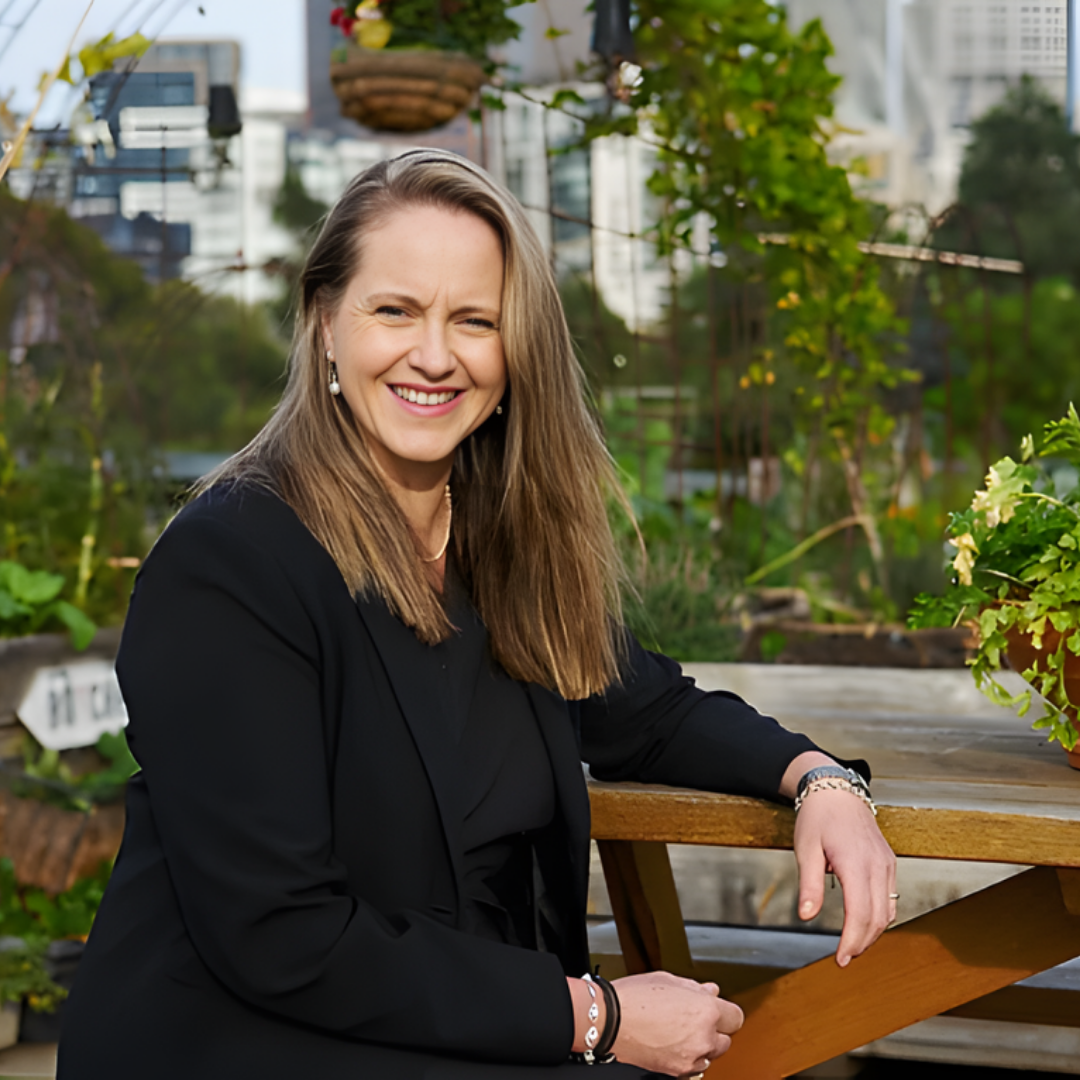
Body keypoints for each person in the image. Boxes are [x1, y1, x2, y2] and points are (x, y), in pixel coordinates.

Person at [57, 150, 895, 1080]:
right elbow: (281, 934)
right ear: (325, 321)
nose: (434, 355)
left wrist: (821, 781)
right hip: (245, 1042)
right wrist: (599, 1015)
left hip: (451, 1026)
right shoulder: (230, 565)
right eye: (394, 311)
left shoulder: (500, 544)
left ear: (516, 349)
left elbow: (649, 711)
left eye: (475, 320)